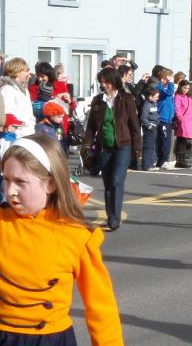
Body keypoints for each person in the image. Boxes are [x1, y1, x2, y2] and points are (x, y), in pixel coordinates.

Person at [0, 134, 123, 344]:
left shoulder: (76, 235)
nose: (11, 191)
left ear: (51, 184)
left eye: (21, 182)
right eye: (6, 180)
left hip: (49, 339)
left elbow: (101, 306)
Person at [82, 67, 141, 231]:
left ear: (114, 82)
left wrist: (137, 148)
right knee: (108, 183)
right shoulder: (97, 101)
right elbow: (91, 128)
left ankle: (115, 218)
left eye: (107, 81)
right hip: (103, 147)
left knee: (116, 180)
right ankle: (111, 217)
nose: (104, 85)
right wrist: (86, 146)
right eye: (102, 82)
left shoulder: (126, 98)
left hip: (123, 146)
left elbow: (135, 126)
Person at [0, 57, 35, 137]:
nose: (28, 74)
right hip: (13, 135)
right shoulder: (7, 89)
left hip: (28, 132)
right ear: (17, 72)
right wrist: (18, 124)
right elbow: (6, 112)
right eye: (26, 71)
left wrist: (30, 122)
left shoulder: (24, 90)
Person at [174, 80, 192, 168]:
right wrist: (180, 118)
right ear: (180, 87)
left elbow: (191, 108)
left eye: (187, 88)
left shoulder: (189, 97)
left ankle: (182, 158)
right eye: (184, 88)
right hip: (183, 120)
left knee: (186, 139)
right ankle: (180, 160)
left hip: (190, 121)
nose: (186, 90)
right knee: (182, 139)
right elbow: (177, 108)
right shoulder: (178, 97)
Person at [156, 69, 175, 170]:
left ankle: (163, 160)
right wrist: (171, 82)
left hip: (168, 119)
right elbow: (169, 93)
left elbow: (171, 101)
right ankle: (163, 160)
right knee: (164, 140)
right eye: (168, 78)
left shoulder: (167, 88)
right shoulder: (159, 88)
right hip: (162, 118)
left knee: (166, 140)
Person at [141, 87, 160, 171]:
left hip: (155, 127)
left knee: (152, 146)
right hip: (149, 129)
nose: (157, 98)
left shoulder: (154, 104)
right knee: (148, 146)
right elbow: (143, 118)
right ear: (150, 96)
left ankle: (152, 163)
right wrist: (149, 126)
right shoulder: (146, 105)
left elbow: (156, 115)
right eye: (155, 97)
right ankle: (146, 165)